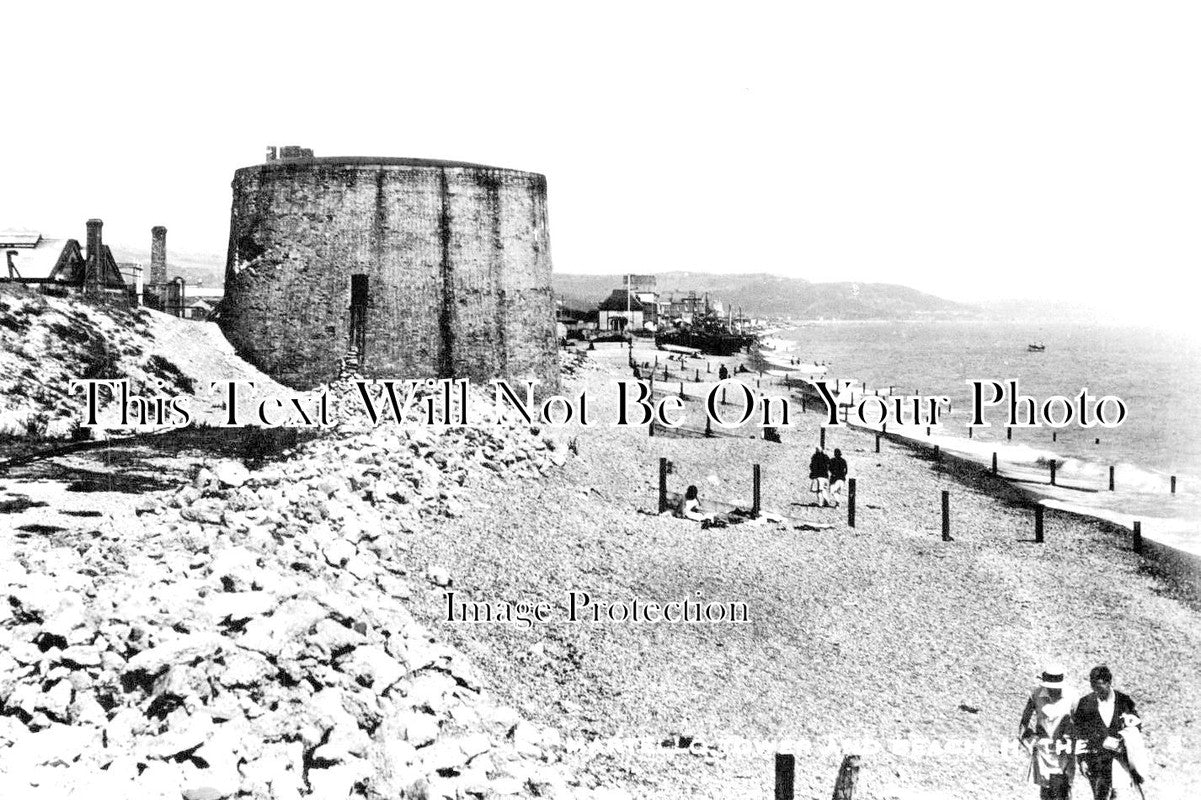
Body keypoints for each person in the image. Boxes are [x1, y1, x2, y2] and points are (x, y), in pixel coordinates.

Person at [1074, 665, 1143, 799]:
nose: (1096, 690)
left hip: (1119, 759)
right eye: (1093, 686)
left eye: (1099, 686)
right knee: (1100, 796)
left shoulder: (1124, 701)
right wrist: (1081, 760)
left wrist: (1125, 739)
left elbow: (1137, 726)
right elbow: (1079, 733)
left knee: (1118, 795)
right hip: (1096, 760)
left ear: (1108, 682)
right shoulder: (1085, 703)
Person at [1018, 664, 1077, 800]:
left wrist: (1072, 741)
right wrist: (1026, 740)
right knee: (1045, 791)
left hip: (1063, 750)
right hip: (1043, 750)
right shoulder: (1036, 694)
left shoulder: (1072, 696)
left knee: (1061, 790)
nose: (1052, 690)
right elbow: (1024, 720)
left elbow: (1080, 723)